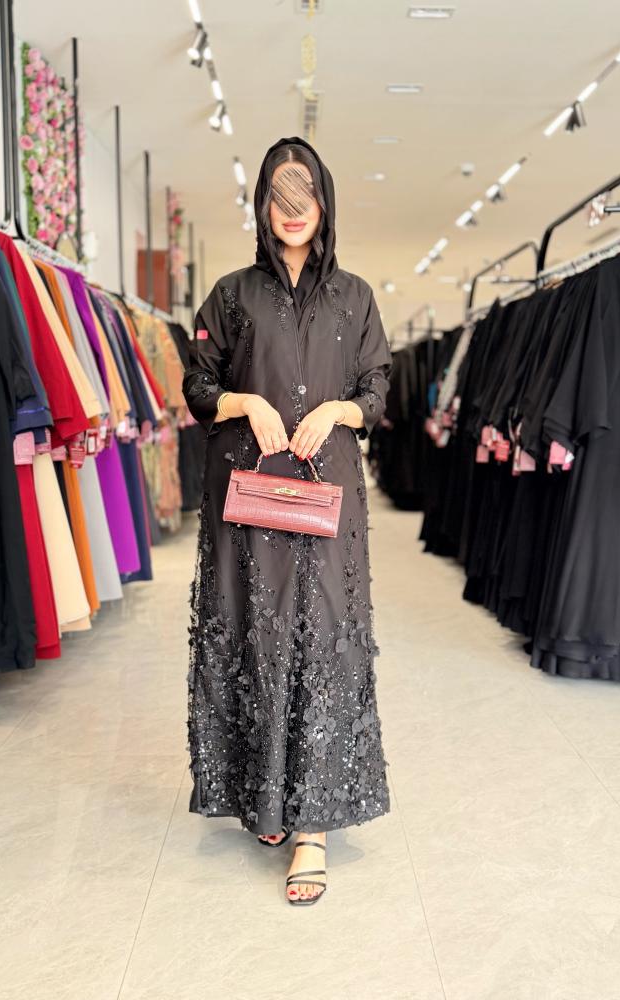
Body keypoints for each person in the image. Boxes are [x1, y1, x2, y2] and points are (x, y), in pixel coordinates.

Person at [182, 136, 392, 906]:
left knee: (324, 637)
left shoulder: (355, 296)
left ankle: (313, 826)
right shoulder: (232, 294)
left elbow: (377, 389)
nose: (292, 212)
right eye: (279, 197)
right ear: (264, 207)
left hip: (328, 489)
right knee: (258, 632)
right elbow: (198, 385)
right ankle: (265, 795)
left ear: (324, 204)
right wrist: (247, 401)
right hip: (250, 492)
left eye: (304, 198)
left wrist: (338, 410)